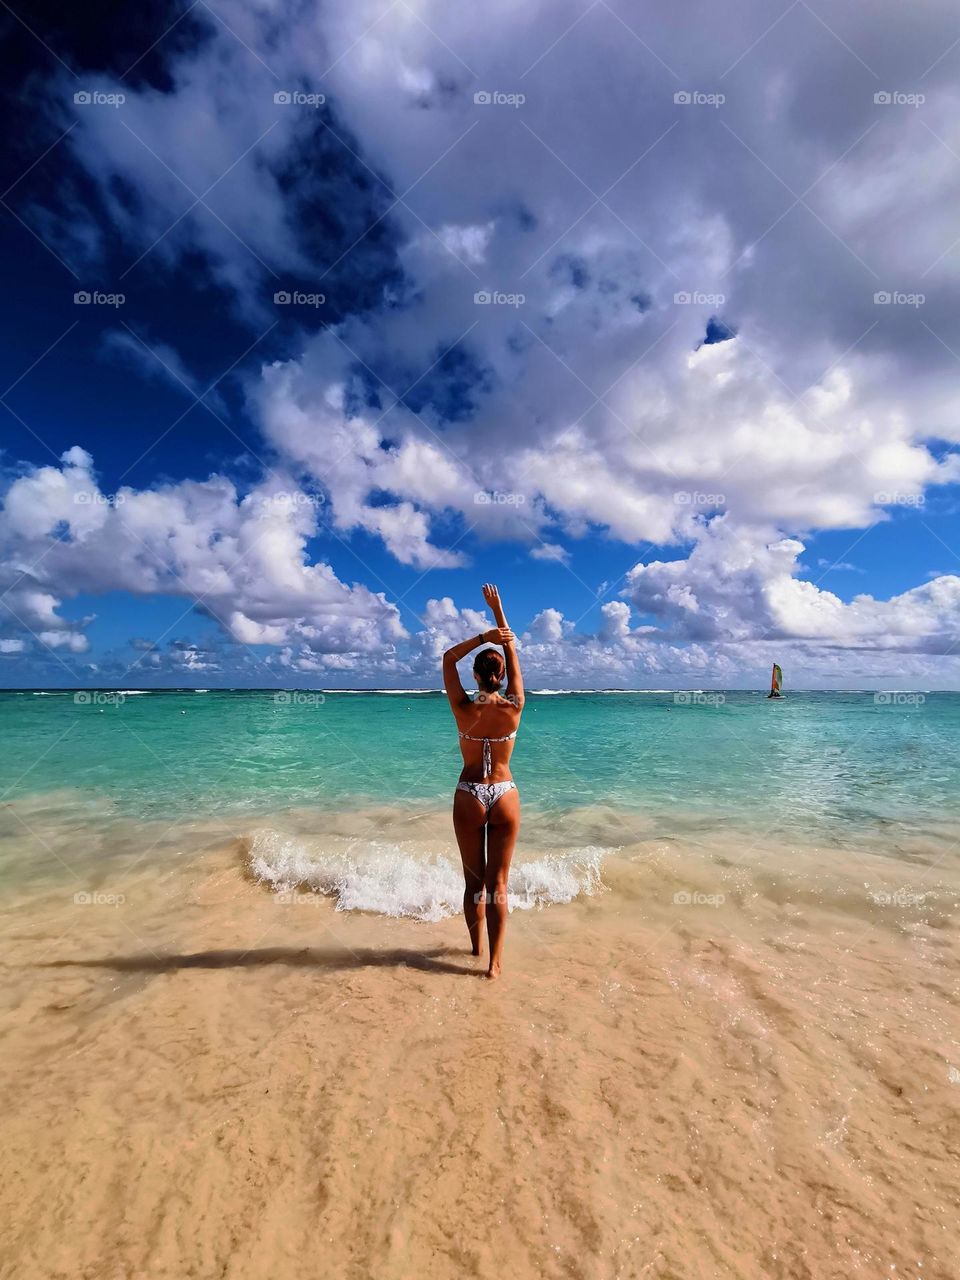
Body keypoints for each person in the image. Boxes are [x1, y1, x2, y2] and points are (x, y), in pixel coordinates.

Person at [442, 583, 524, 980]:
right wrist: (500, 616)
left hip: (470, 794)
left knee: (474, 882)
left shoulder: (462, 707)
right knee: (500, 884)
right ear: (502, 676)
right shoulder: (514, 706)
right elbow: (512, 654)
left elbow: (447, 658)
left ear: (476, 675)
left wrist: (482, 637)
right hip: (505, 793)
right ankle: (494, 964)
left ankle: (475, 949)